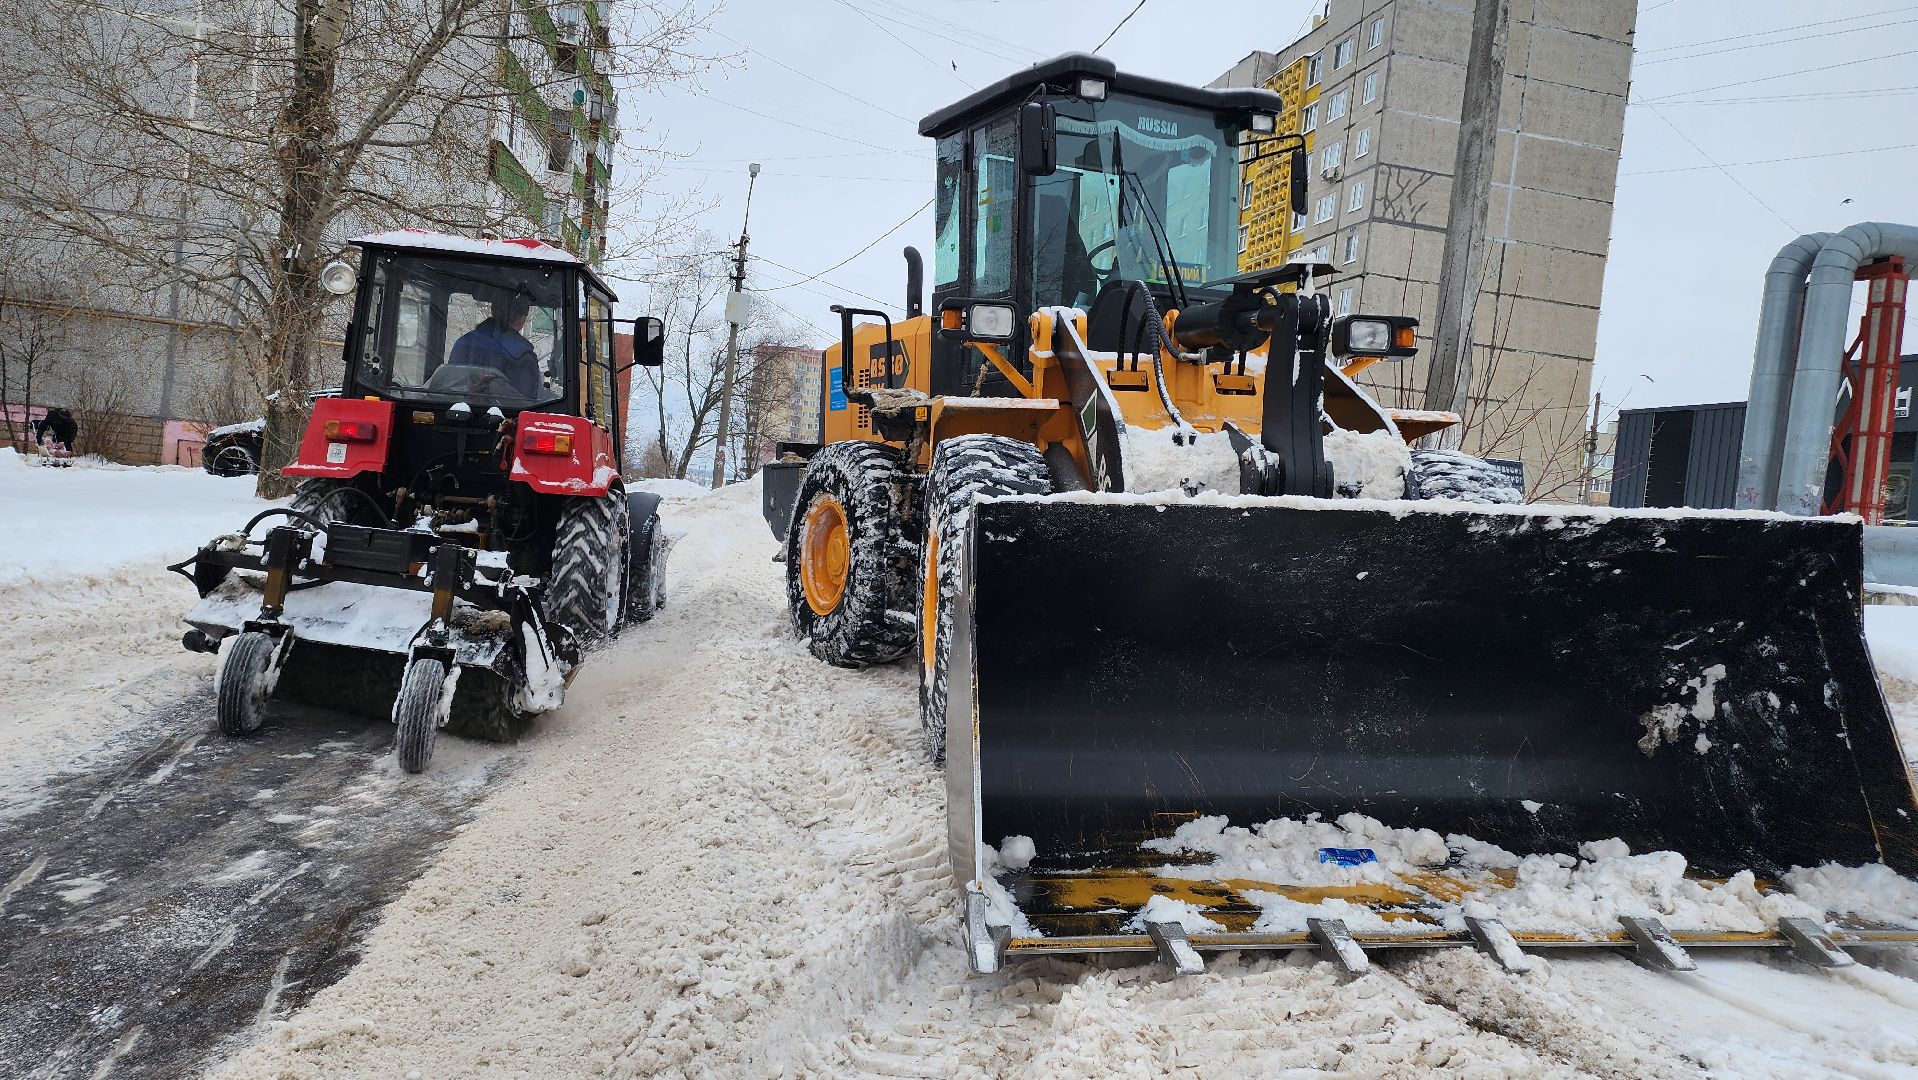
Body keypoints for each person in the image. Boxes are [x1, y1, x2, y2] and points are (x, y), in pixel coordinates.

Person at [447, 292, 543, 399]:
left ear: (493, 310)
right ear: (523, 317)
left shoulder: (464, 342)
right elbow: (528, 404)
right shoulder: (523, 355)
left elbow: (448, 389)